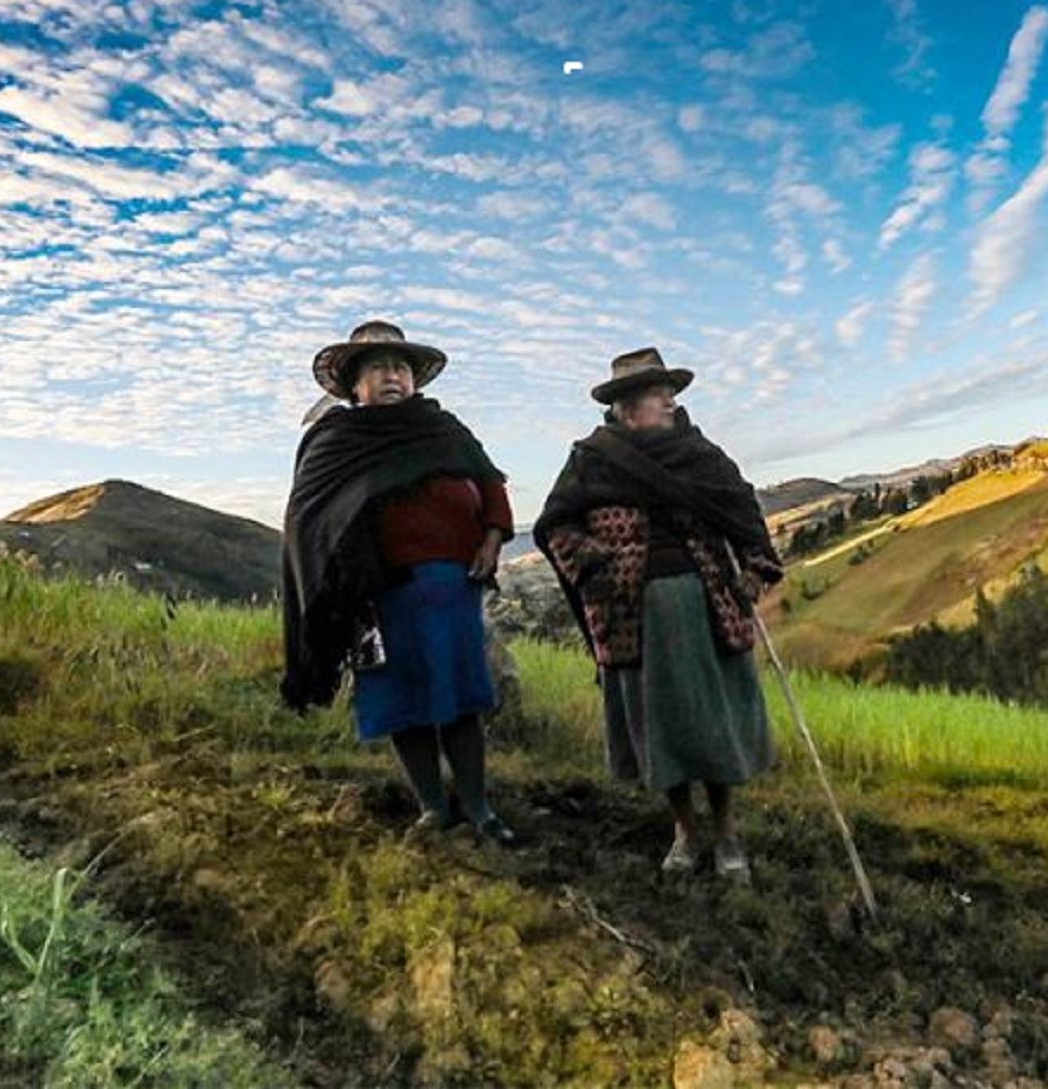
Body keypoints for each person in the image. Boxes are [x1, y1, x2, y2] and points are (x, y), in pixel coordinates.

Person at [534, 347, 782, 883]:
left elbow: (743, 512)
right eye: (656, 393)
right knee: (661, 732)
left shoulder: (700, 454)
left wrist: (754, 571)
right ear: (626, 407)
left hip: (708, 606)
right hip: (632, 616)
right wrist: (595, 560)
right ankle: (684, 831)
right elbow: (556, 527)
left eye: (670, 392)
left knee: (714, 726)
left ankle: (725, 831)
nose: (670, 402)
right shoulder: (591, 460)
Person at [280, 320, 519, 845]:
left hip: (453, 584)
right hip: (378, 595)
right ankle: (433, 807)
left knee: (462, 698)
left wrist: (493, 538)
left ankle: (479, 809)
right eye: (379, 368)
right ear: (356, 386)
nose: (393, 376)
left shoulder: (445, 429)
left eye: (401, 367)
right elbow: (310, 515)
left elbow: (489, 483)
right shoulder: (338, 441)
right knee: (403, 702)